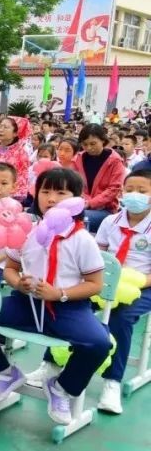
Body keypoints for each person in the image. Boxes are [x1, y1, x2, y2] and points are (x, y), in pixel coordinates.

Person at [0, 168, 110, 425]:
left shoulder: (82, 239)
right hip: (26, 303)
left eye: (61, 192)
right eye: (45, 191)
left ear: (75, 200)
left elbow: (95, 284)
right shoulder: (27, 231)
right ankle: (5, 371)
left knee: (99, 344)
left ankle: (62, 387)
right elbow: (11, 269)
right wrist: (19, 284)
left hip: (68, 307)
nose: (51, 198)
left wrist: (59, 293)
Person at [90, 169, 151, 414]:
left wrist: (133, 283)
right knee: (71, 305)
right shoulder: (110, 222)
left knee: (120, 317)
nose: (135, 194)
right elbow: (97, 255)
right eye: (130, 190)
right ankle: (51, 364)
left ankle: (112, 382)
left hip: (143, 285)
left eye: (143, 191)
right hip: (106, 281)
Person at [72, 123, 124, 233]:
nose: (89, 148)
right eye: (85, 144)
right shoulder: (78, 159)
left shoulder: (114, 161)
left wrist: (90, 203)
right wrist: (83, 201)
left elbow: (114, 189)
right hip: (81, 204)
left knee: (76, 218)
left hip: (106, 209)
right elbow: (74, 185)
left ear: (103, 140)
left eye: (93, 143)